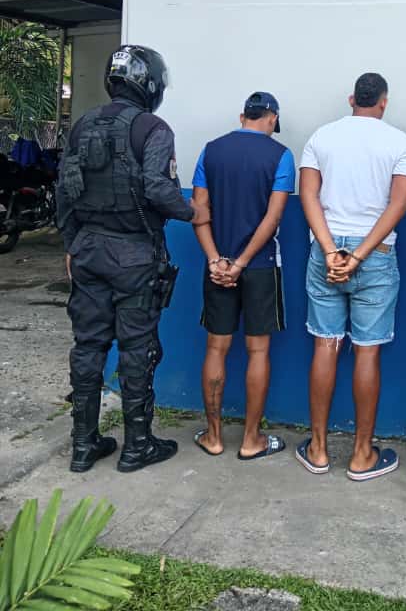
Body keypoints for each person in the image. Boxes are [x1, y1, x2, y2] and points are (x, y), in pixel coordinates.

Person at [57, 45, 201, 473]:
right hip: (135, 253)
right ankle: (137, 446)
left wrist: (72, 245)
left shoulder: (82, 125)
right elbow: (158, 188)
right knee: (138, 348)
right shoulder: (152, 128)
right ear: (149, 83)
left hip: (88, 249)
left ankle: (83, 444)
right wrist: (192, 212)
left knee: (88, 345)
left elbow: (64, 190)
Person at [297, 72, 406, 481]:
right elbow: (399, 203)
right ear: (383, 102)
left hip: (326, 251)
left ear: (352, 99)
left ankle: (317, 450)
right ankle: (362, 454)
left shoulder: (322, 137)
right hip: (375, 254)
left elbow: (308, 195)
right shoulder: (399, 142)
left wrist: (331, 251)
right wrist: (360, 255)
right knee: (367, 352)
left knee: (326, 344)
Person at [191, 91, 295, 460]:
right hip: (260, 266)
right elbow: (273, 217)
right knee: (258, 350)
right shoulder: (281, 155)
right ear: (272, 118)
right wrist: (242, 263)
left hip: (217, 266)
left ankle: (214, 437)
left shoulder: (210, 151)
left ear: (242, 117)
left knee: (215, 348)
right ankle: (251, 440)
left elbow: (199, 210)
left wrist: (216, 260)